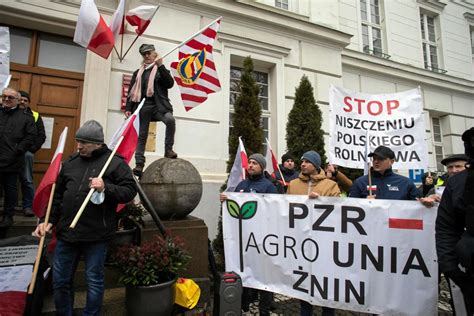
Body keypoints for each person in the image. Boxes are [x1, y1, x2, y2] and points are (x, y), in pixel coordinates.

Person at [33, 120, 137, 315]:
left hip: (96, 235)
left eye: (84, 142)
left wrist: (106, 187)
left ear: (97, 143)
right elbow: (57, 196)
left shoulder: (114, 163)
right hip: (66, 233)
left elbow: (129, 191)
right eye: (78, 141)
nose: (79, 146)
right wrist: (46, 221)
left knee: (94, 281)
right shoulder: (71, 163)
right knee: (61, 279)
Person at [220, 153, 277, 316]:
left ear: (262, 167)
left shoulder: (268, 187)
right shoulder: (242, 185)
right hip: (244, 239)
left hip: (262, 240)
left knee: (264, 277)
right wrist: (225, 200)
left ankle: (264, 310)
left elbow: (275, 212)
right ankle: (244, 304)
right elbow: (234, 209)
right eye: (249, 162)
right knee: (244, 271)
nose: (250, 165)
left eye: (254, 163)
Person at [286, 151, 340, 316]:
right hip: (301, 242)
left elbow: (339, 212)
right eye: (302, 161)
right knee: (304, 283)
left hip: (324, 244)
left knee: (326, 285)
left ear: (316, 165)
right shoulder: (293, 184)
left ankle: (328, 311)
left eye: (307, 162)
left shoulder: (330, 185)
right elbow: (284, 208)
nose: (303, 164)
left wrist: (322, 202)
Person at [436, 127, 474, 315]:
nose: (453, 170)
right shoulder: (457, 184)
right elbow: (446, 228)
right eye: (450, 167)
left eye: (457, 166)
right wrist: (449, 266)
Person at [125, 43, 177, 177]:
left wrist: (161, 65)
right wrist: (128, 109)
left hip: (159, 106)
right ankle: (139, 164)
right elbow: (131, 92)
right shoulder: (138, 73)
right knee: (142, 135)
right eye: (144, 54)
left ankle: (168, 150)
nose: (147, 56)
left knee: (170, 120)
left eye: (149, 53)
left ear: (155, 54)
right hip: (143, 107)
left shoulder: (161, 69)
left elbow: (169, 84)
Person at [0, 88, 36, 228]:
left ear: (17, 100)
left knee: (10, 189)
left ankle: (8, 216)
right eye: (4, 96)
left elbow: (30, 136)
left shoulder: (26, 117)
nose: (7, 99)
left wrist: (18, 150)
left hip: (13, 160)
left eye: (10, 97)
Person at [349, 145, 421, 200]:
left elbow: (418, 206)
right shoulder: (360, 182)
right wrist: (363, 203)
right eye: (374, 158)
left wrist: (427, 202)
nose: (376, 161)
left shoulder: (406, 183)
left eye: (381, 158)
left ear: (392, 161)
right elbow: (350, 207)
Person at [18, 90, 46, 217]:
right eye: (20, 99)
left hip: (26, 153)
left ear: (29, 102)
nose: (22, 102)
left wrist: (32, 150)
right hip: (7, 152)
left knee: (27, 179)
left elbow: (41, 136)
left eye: (25, 100)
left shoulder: (34, 115)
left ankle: (29, 206)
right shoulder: (7, 113)